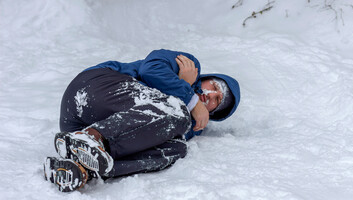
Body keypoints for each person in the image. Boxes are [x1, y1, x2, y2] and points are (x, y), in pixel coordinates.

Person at [43, 49, 240, 192]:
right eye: (214, 86)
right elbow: (150, 69)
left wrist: (188, 105)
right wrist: (188, 95)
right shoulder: (188, 64)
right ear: (208, 77)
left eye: (217, 100)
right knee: (177, 112)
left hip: (77, 128)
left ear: (213, 113)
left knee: (176, 148)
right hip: (95, 87)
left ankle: (84, 167)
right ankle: (93, 138)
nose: (210, 94)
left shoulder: (189, 123)